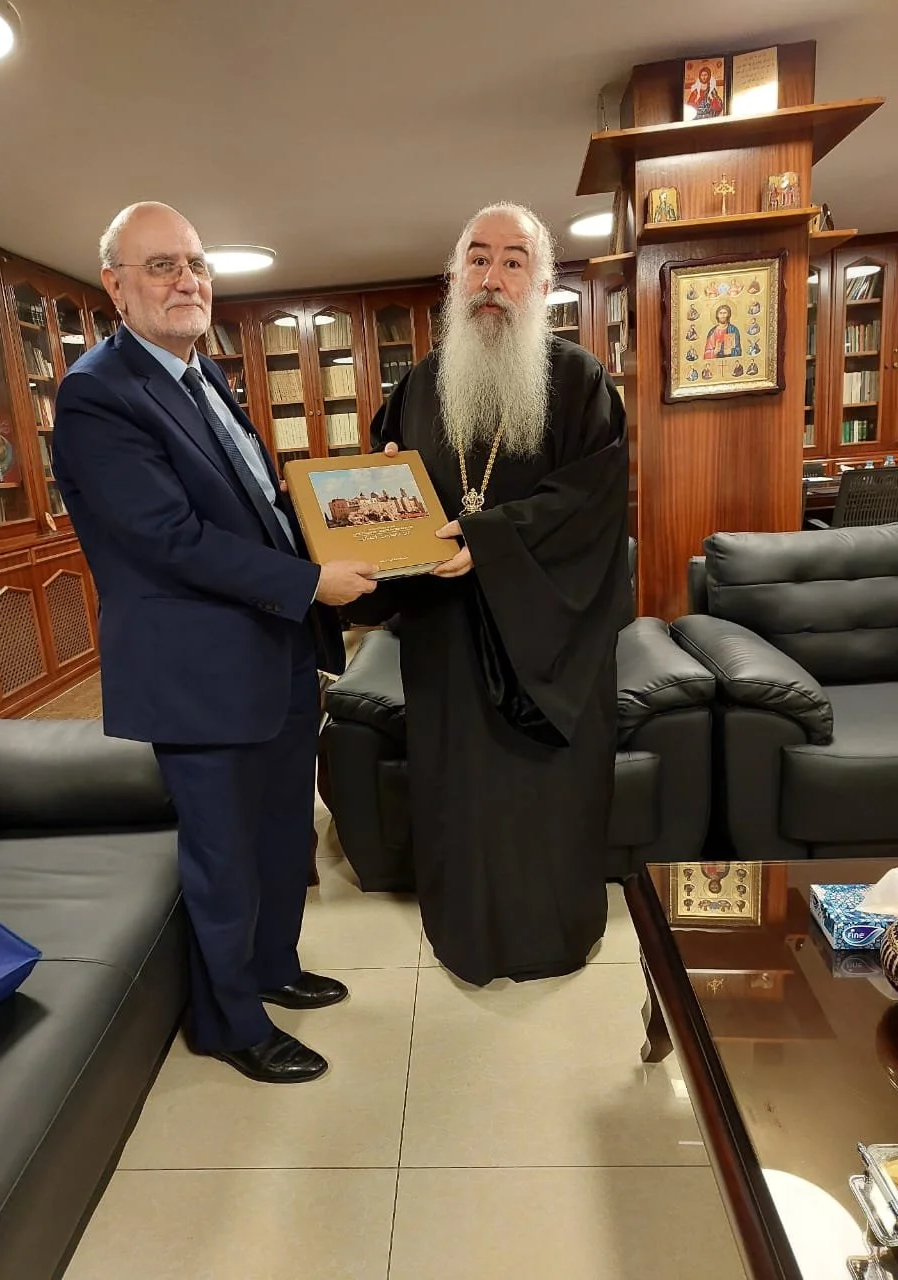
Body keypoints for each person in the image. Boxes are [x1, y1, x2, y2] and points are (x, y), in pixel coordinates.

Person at [53, 202, 378, 1083]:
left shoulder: (202, 375)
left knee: (281, 835)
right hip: (198, 671)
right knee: (224, 857)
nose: (187, 280)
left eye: (195, 263)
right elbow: (168, 538)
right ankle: (229, 1021)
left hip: (271, 648)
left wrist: (341, 534)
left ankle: (272, 968)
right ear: (115, 286)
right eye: (161, 265)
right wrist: (311, 581)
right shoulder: (99, 393)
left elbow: (258, 509)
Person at [355, 202, 629, 986]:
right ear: (455, 279)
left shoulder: (579, 381)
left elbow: (590, 503)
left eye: (514, 261)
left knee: (546, 800)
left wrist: (490, 540)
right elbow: (388, 491)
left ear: (541, 285)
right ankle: (465, 935)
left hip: (549, 641)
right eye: (478, 259)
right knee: (459, 798)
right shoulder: (418, 386)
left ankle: (553, 936)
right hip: (443, 637)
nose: (493, 278)